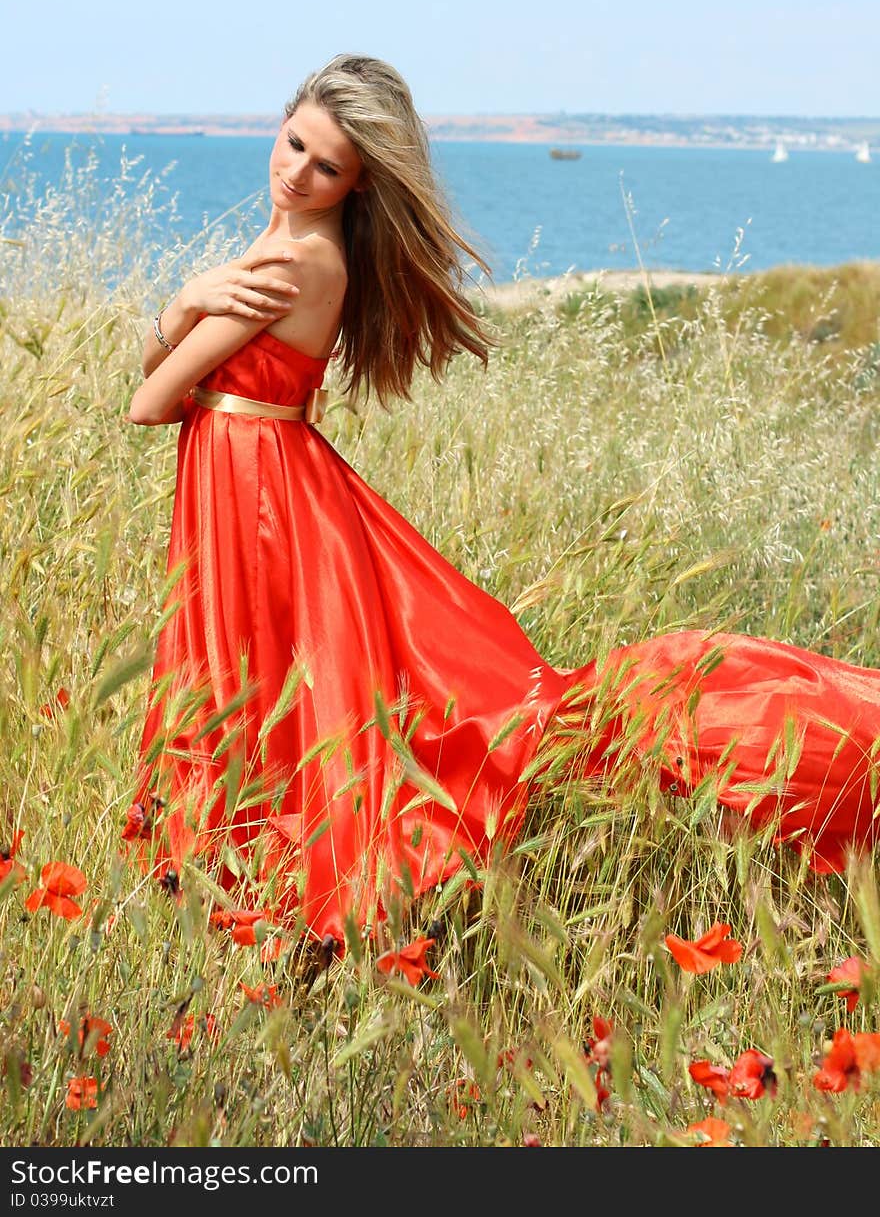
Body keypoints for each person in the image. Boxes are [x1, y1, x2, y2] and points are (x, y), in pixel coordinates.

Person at [126, 52, 880, 946]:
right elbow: (170, 385)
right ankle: (240, 863)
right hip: (258, 483)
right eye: (294, 144)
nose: (296, 170)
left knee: (288, 692)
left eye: (325, 165)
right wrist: (188, 314)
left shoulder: (294, 261)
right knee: (270, 690)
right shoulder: (282, 247)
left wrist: (180, 301)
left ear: (357, 183)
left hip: (260, 497)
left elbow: (148, 400)